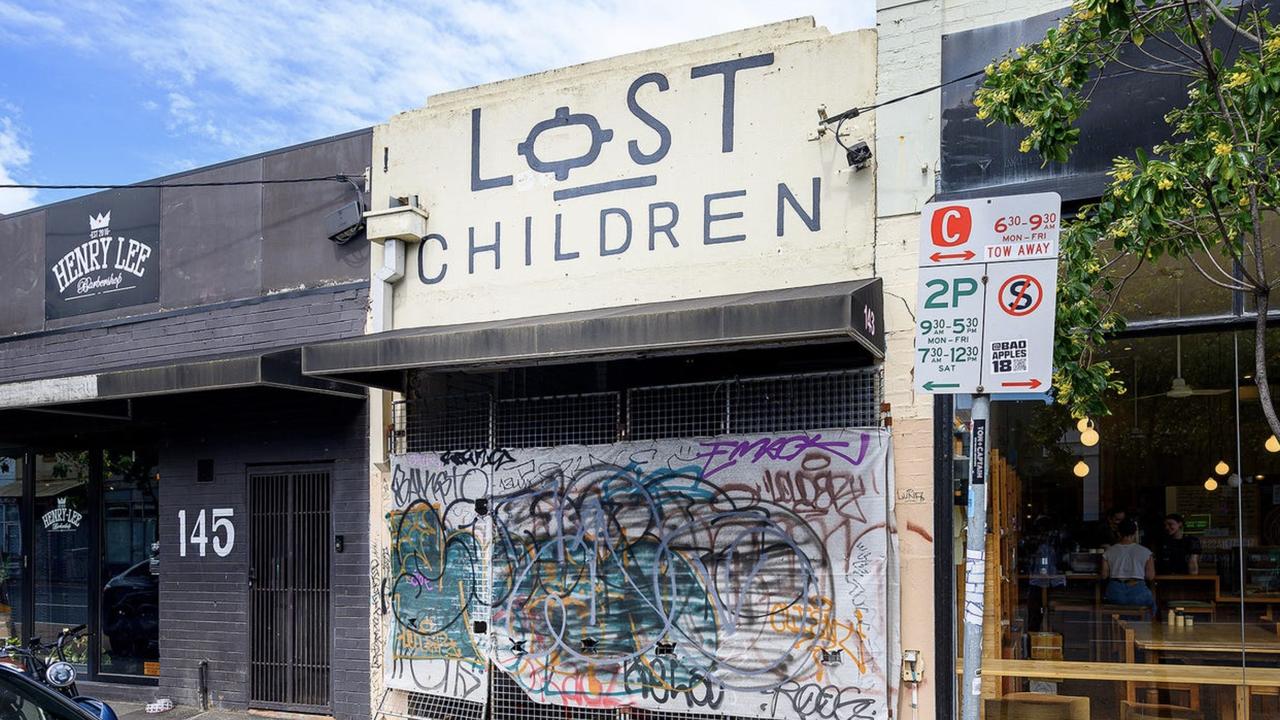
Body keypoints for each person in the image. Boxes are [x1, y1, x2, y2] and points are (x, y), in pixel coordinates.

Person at [1101, 519, 1157, 614]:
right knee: (1152, 607)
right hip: (1138, 591)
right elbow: (1150, 576)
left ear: (1118, 533)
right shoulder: (1146, 552)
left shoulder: (1108, 552)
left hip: (1115, 592)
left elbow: (1104, 575)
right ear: (1135, 533)